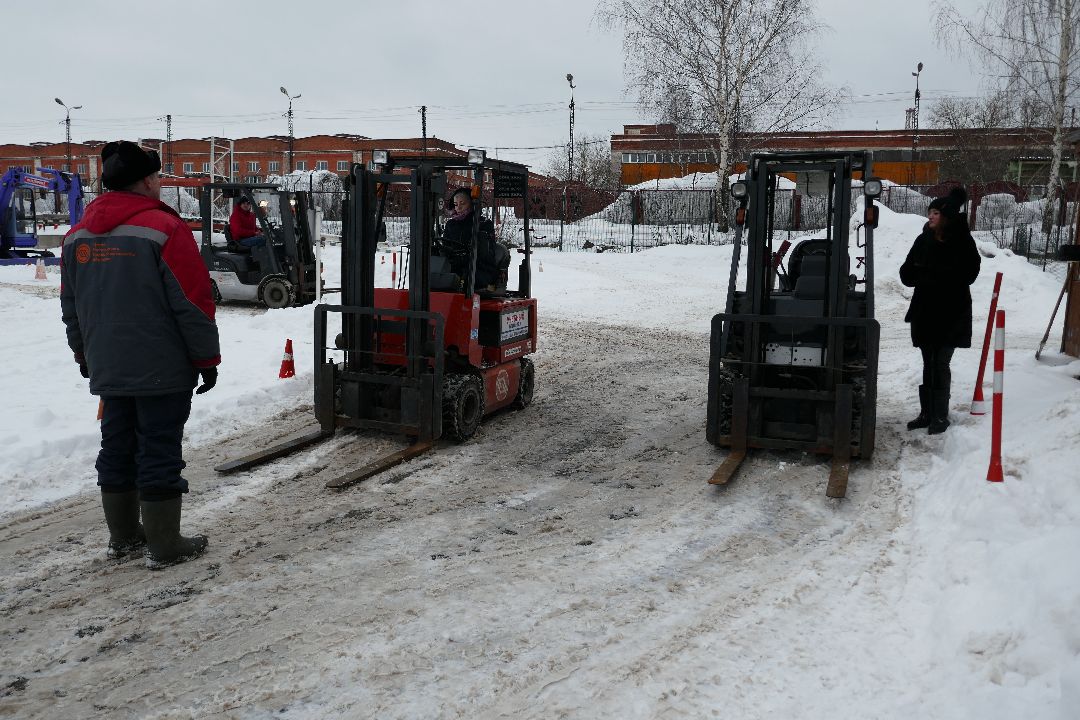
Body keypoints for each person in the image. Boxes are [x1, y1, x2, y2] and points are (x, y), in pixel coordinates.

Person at [60, 141, 220, 569]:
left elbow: (71, 307)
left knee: (116, 446)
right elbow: (192, 301)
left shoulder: (77, 235)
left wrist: (84, 355)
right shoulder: (164, 229)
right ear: (147, 181)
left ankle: (124, 537)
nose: (161, 183)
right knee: (159, 449)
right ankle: (166, 545)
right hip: (161, 366)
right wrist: (207, 359)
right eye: (159, 177)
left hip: (108, 365)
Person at [899, 186, 981, 435]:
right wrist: (918, 271)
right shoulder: (922, 240)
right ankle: (926, 414)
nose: (930, 217)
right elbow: (906, 274)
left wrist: (937, 274)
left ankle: (940, 416)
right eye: (930, 212)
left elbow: (970, 274)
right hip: (925, 312)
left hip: (951, 313)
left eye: (935, 212)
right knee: (928, 362)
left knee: (941, 362)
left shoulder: (963, 242)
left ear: (946, 216)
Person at [440, 188, 508, 291]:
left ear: (472, 204)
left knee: (461, 278)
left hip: (479, 268)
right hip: (455, 266)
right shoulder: (451, 224)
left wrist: (463, 257)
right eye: (456, 204)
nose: (458, 207)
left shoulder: (483, 224)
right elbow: (446, 245)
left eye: (462, 203)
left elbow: (484, 252)